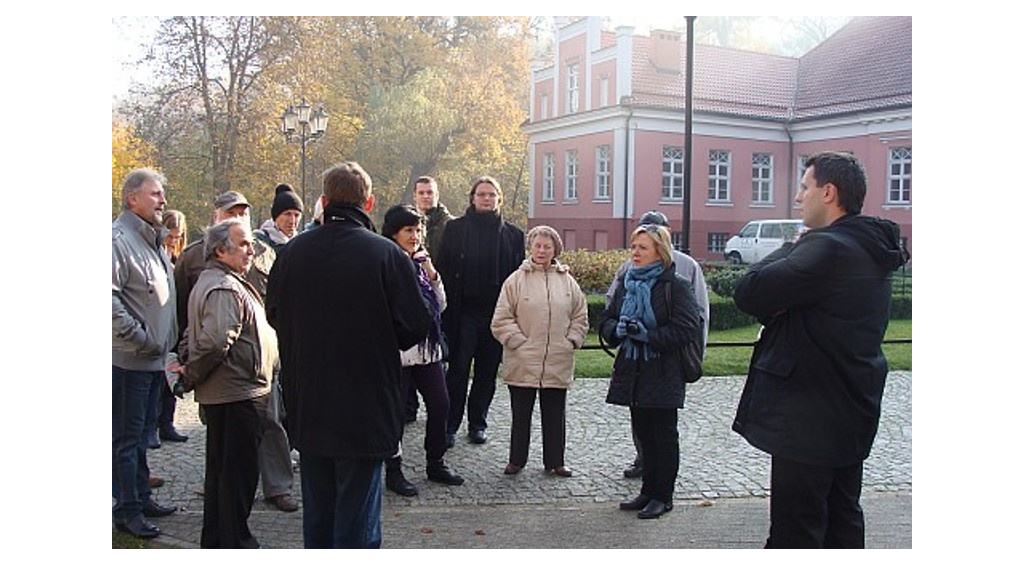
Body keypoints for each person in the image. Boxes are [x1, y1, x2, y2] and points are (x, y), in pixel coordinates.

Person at [731, 151, 910, 548]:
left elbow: (749, 291)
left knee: (797, 531)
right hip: (850, 407)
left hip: (808, 417)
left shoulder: (826, 248)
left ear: (828, 192)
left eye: (804, 187)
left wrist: (795, 246)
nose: (798, 198)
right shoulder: (870, 247)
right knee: (843, 521)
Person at [266, 161, 430, 549]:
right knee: (358, 520)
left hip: (310, 398)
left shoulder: (292, 254)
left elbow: (274, 313)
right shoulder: (386, 255)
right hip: (366, 401)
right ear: (368, 202)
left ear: (323, 201)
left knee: (319, 514)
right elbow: (415, 325)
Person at [175, 191, 299, 513]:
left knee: (271, 423)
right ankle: (222, 495)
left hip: (258, 360)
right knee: (223, 438)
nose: (238, 216)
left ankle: (277, 486)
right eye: (231, 211)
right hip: (221, 368)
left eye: (244, 212)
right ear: (216, 215)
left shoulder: (263, 253)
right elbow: (187, 311)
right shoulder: (193, 258)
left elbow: (278, 301)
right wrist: (188, 357)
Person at [174, 219, 278, 549]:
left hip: (237, 391)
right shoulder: (223, 286)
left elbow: (198, 335)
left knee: (225, 473)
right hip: (237, 394)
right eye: (244, 244)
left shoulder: (226, 280)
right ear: (221, 250)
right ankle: (235, 542)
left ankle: (220, 539)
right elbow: (215, 339)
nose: (251, 250)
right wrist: (191, 374)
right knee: (236, 475)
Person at [599, 224, 701, 520]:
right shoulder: (627, 281)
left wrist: (648, 335)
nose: (635, 253)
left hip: (664, 371)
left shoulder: (675, 285)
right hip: (633, 370)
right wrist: (615, 330)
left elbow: (686, 329)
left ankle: (662, 496)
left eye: (642, 248)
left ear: (660, 252)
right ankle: (647, 490)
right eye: (633, 247)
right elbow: (605, 319)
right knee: (644, 434)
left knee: (664, 435)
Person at [112, 168, 179, 539]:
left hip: (154, 359)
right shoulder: (117, 240)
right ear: (132, 198)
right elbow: (107, 301)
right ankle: (127, 509)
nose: (162, 200)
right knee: (125, 437)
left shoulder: (152, 240)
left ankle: (139, 495)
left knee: (141, 435)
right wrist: (141, 339)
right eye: (154, 194)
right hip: (129, 360)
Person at [380, 204, 465, 497]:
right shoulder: (388, 262)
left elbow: (440, 305)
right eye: (408, 230)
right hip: (398, 351)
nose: (414, 236)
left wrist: (431, 272)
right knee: (396, 412)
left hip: (427, 350)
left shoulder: (420, 264)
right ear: (394, 232)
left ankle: (436, 461)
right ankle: (394, 468)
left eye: (418, 230)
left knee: (441, 404)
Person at [491, 225, 588, 477]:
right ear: (530, 248)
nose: (542, 250)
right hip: (523, 359)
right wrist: (518, 342)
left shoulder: (568, 281)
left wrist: (572, 341)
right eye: (537, 245)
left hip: (558, 358)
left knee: (555, 414)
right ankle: (516, 459)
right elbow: (501, 319)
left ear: (556, 249)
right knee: (521, 415)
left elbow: (580, 315)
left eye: (547, 246)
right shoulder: (515, 280)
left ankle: (555, 461)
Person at [435, 176, 525, 447]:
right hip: (463, 313)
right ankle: (450, 425)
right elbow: (444, 270)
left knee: (487, 372)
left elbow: (518, 277)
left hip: (497, 315)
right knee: (458, 370)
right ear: (472, 198)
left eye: (491, 195)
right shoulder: (455, 229)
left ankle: (478, 424)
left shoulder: (514, 235)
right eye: (481, 194)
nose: (486, 199)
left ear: (499, 199)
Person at [405, 175, 455, 423]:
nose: (426, 196)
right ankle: (409, 406)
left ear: (437, 195)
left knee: (435, 356)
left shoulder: (450, 226)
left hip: (437, 295)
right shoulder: (405, 220)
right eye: (421, 192)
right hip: (409, 297)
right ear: (415, 195)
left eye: (430, 192)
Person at [154, 209, 190, 447]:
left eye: (178, 236)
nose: (174, 240)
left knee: (172, 375)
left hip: (175, 323)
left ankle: (167, 423)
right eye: (171, 235)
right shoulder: (157, 255)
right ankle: (155, 425)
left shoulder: (180, 258)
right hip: (159, 323)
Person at [255, 183, 303, 252]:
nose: (292, 221)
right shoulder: (260, 241)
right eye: (287, 214)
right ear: (276, 217)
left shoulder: (301, 243)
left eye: (296, 215)